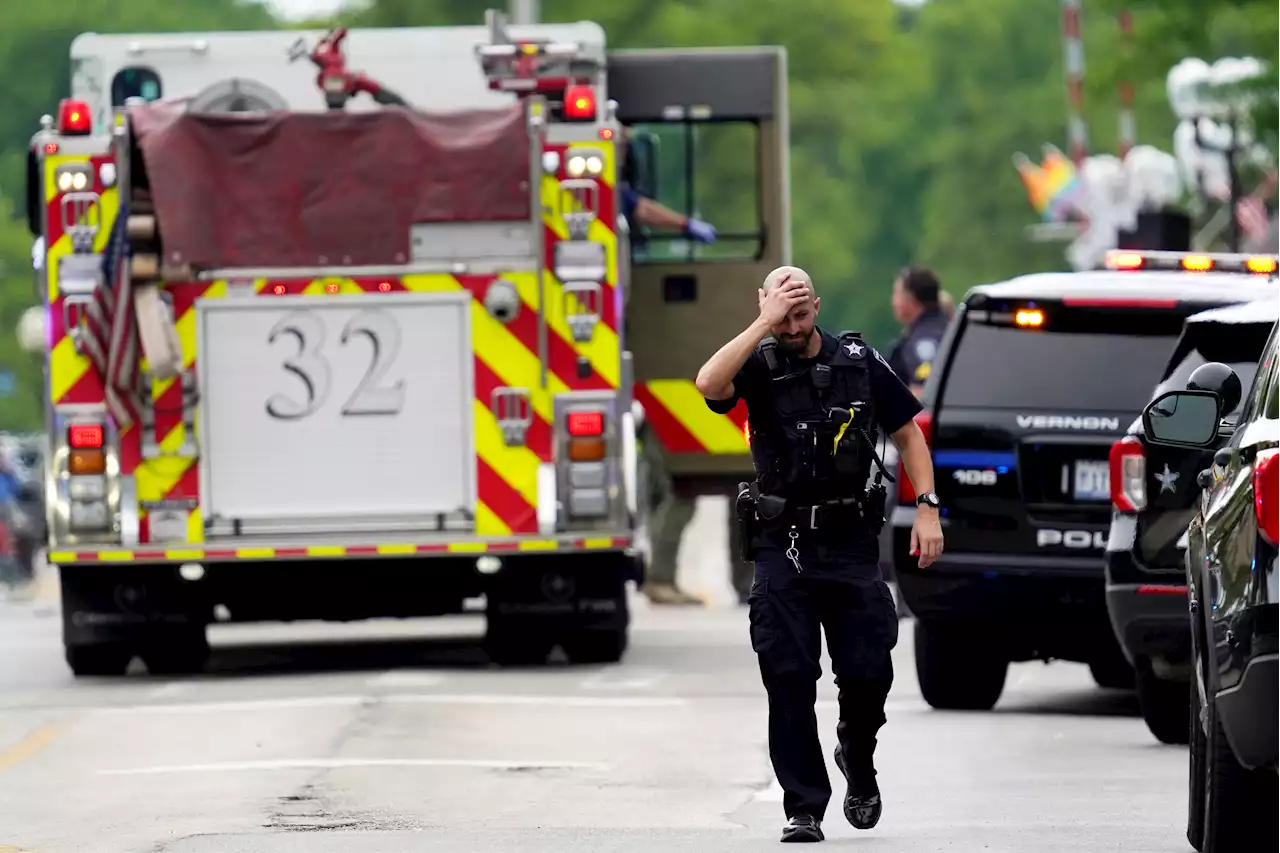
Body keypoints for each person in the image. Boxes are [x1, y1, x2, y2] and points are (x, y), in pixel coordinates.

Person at [695, 267, 943, 843]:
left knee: (867, 673)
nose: (792, 324)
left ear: (817, 308)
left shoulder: (857, 360)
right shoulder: (756, 365)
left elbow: (908, 433)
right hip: (784, 546)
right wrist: (763, 321)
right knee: (787, 677)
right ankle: (803, 806)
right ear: (765, 309)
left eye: (801, 313)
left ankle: (857, 756)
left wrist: (928, 508)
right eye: (782, 313)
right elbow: (708, 384)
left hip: (851, 544)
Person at [887, 267, 949, 397]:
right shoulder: (948, 328)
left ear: (912, 300)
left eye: (897, 294)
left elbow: (925, 390)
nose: (893, 302)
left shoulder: (924, 340)